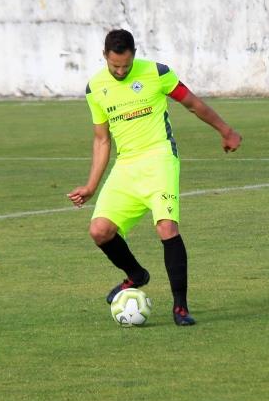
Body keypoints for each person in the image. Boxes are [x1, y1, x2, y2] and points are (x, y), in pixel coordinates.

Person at [67, 29, 242, 326]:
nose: (120, 71)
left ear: (134, 54)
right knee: (99, 230)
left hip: (160, 159)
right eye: (114, 66)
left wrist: (225, 130)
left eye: (125, 65)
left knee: (166, 227)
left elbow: (193, 103)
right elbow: (101, 139)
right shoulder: (95, 87)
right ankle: (136, 275)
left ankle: (180, 308)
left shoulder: (157, 73)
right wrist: (91, 186)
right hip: (126, 166)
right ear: (105, 57)